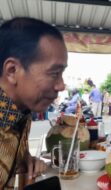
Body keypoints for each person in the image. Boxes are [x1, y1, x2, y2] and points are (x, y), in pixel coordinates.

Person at [0, 17, 67, 188]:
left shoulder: (21, 111)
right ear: (12, 71)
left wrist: (24, 160)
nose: (61, 85)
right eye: (54, 73)